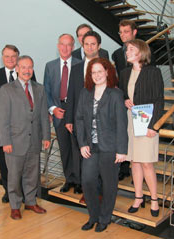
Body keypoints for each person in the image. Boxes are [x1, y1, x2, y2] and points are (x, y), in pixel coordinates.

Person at [75, 58, 128, 232]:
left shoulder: (115, 94)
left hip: (110, 148)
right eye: (93, 72)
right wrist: (82, 144)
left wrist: (122, 150)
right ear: (90, 75)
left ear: (107, 72)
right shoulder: (85, 93)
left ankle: (105, 218)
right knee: (88, 180)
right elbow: (80, 119)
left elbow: (122, 123)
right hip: (91, 147)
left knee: (109, 184)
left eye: (100, 71)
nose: (97, 75)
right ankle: (93, 216)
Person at [0, 55, 50, 220]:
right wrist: (5, 141)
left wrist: (46, 136)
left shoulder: (39, 89)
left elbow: (43, 115)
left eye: (30, 67)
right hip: (14, 142)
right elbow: (2, 118)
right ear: (17, 69)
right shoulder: (6, 89)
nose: (27, 71)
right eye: (24, 67)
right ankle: (15, 206)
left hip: (34, 140)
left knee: (32, 175)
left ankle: (31, 202)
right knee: (14, 176)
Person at [0, 45, 36, 203]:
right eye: (7, 56)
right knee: (5, 163)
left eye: (13, 56)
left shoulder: (28, 74)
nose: (10, 59)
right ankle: (9, 192)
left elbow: (34, 100)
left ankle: (25, 194)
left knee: (24, 164)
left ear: (18, 57)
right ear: (2, 57)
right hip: (3, 129)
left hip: (24, 131)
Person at [119, 39, 164, 217]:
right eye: (127, 50)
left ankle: (154, 199)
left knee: (146, 163)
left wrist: (154, 126)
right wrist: (124, 100)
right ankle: (138, 197)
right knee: (134, 162)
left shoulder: (153, 72)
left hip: (147, 123)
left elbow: (159, 99)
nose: (127, 52)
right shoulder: (124, 73)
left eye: (131, 49)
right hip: (130, 121)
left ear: (141, 52)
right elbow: (123, 94)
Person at [65, 31, 103, 202]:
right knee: (84, 155)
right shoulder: (76, 68)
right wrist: (69, 119)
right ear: (83, 46)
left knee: (100, 156)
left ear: (99, 46)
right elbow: (71, 95)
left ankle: (99, 191)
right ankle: (88, 192)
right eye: (86, 44)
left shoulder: (106, 67)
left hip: (100, 120)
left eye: (93, 44)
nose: (89, 47)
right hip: (80, 120)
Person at [43, 34, 82, 193]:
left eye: (69, 45)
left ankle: (79, 181)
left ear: (73, 47)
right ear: (58, 46)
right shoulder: (50, 66)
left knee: (77, 148)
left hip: (75, 111)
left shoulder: (80, 65)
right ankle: (69, 179)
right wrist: (52, 109)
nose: (65, 48)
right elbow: (46, 91)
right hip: (58, 111)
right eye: (62, 44)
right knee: (65, 149)